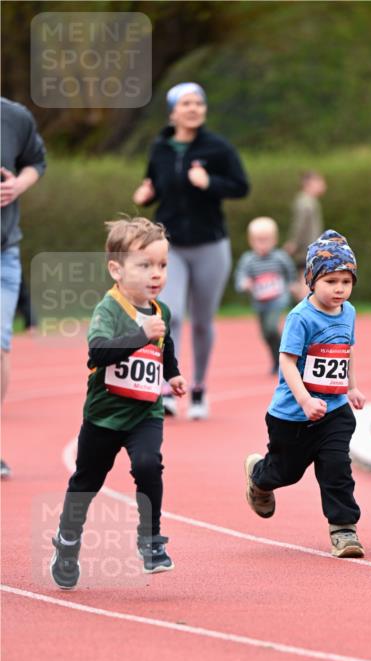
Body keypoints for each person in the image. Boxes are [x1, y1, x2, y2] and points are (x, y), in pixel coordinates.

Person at [50, 217, 187, 590]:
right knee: (87, 481)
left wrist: (172, 373)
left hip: (145, 411)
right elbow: (97, 352)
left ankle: (152, 542)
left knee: (147, 465)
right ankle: (67, 540)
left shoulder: (161, 312)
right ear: (117, 269)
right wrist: (139, 334)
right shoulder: (109, 310)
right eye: (144, 265)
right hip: (105, 416)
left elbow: (164, 345)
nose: (155, 274)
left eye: (161, 265)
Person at [244, 230, 365, 558]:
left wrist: (351, 386)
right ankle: (260, 477)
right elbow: (286, 361)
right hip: (292, 415)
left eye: (346, 281)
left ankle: (343, 529)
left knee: (336, 465)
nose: (339, 288)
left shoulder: (349, 312)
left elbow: (347, 349)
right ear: (311, 281)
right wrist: (304, 400)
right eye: (330, 281)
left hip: (335, 409)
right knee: (287, 472)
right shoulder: (301, 317)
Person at [133, 82, 249, 420]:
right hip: (170, 246)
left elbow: (241, 186)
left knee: (201, 321)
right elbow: (153, 184)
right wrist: (145, 196)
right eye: (186, 103)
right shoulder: (160, 148)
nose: (194, 108)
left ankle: (198, 387)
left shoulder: (218, 148)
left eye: (199, 102)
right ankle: (170, 386)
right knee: (170, 315)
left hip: (211, 244)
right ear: (173, 111)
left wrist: (210, 182)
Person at [1, 97, 47, 479]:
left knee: (0, 348)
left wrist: (18, 183)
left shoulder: (14, 116)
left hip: (3, 255)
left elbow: (37, 162)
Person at [234, 216, 298, 373]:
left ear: (274, 240)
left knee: (271, 327)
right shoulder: (248, 259)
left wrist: (292, 284)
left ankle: (289, 356)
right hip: (260, 302)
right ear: (251, 241)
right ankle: (277, 360)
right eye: (258, 240)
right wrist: (245, 284)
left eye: (266, 240)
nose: (262, 244)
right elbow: (240, 276)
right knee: (266, 334)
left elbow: (290, 272)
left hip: (278, 299)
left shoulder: (280, 257)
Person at [284, 170, 327, 300]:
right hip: (307, 249)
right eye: (320, 182)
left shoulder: (309, 201)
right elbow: (300, 225)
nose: (323, 186)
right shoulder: (305, 202)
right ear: (310, 183)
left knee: (305, 277)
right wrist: (294, 243)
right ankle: (305, 308)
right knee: (305, 278)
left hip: (310, 247)